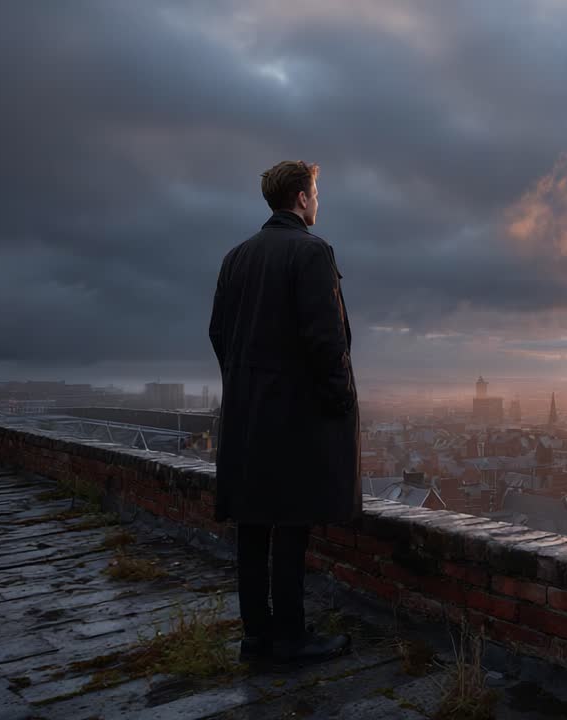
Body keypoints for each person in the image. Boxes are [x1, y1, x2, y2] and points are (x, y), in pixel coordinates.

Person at [208, 160, 361, 666]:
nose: (318, 201)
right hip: (295, 416)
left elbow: (218, 333)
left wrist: (246, 384)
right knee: (292, 523)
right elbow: (327, 341)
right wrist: (340, 401)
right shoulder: (311, 252)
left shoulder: (235, 257)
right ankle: (292, 637)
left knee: (252, 525)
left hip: (247, 413)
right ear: (301, 198)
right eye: (315, 192)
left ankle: (256, 637)